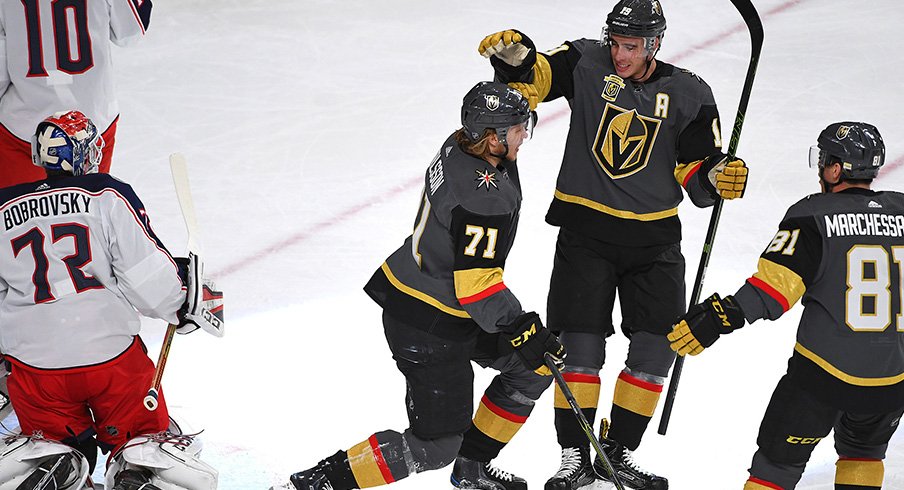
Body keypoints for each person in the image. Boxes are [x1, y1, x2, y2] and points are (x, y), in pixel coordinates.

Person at [478, 1, 750, 488]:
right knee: (577, 351)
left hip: (655, 240)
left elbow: (695, 170)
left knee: (656, 349)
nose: (620, 55)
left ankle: (617, 453)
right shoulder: (587, 61)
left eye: (632, 46)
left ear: (654, 44)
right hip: (586, 235)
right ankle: (574, 457)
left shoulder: (689, 92)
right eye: (617, 43)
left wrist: (717, 174)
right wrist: (518, 60)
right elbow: (534, 82)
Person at [271, 81, 565, 490]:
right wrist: (522, 327)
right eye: (518, 129)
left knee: (530, 369)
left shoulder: (461, 143)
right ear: (494, 137)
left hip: (436, 299)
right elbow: (477, 289)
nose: (524, 136)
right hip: (429, 324)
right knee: (435, 446)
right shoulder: (485, 198)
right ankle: (313, 485)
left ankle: (473, 466)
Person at [669, 121, 902, 489]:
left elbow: (773, 292)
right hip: (892, 382)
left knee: (776, 465)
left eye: (825, 159)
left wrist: (718, 318)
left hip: (822, 378)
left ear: (836, 168)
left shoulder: (813, 216)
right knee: (864, 452)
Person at [0, 110, 222, 490]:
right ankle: (136, 473)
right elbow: (146, 274)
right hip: (111, 359)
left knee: (48, 450)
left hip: (35, 368)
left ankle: (54, 466)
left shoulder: (2, 207)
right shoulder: (105, 193)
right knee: (144, 442)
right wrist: (182, 302)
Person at [0, 0, 153, 188]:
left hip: (23, 127)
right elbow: (131, 32)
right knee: (86, 214)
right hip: (91, 123)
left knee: (16, 214)